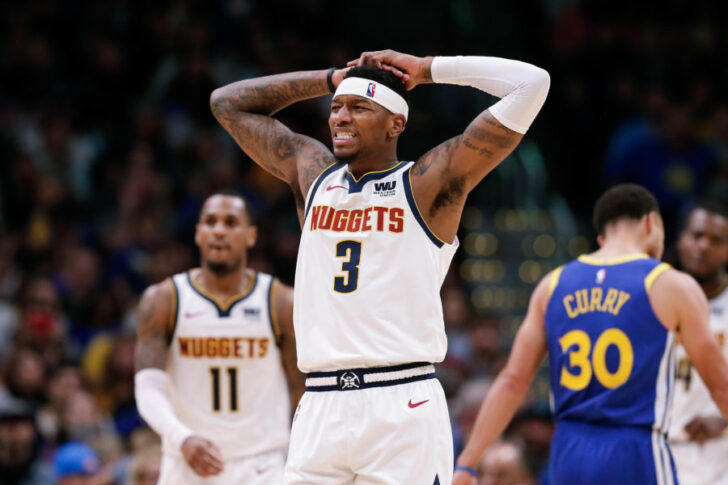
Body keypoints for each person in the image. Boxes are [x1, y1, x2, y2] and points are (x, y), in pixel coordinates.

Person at [211, 49, 549, 484]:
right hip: (321, 402)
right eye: (336, 109)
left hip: (401, 401)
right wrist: (333, 77)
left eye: (359, 107)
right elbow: (226, 102)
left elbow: (532, 83)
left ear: (396, 123)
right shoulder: (313, 174)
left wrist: (427, 70)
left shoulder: (428, 183)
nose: (341, 118)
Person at [452, 184, 728, 485]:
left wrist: (467, 462)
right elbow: (721, 388)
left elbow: (512, 381)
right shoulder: (669, 284)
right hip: (634, 449)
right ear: (651, 224)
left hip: (568, 451)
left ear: (601, 237)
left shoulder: (552, 284)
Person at [133, 192, 304, 484]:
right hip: (186, 459)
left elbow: (300, 391)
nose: (219, 231)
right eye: (210, 222)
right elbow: (148, 388)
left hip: (262, 463)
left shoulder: (280, 303)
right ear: (199, 234)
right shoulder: (163, 300)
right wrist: (182, 437)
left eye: (231, 222)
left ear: (251, 236)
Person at [668, 201, 728, 484]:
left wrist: (725, 418)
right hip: (662, 448)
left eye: (716, 240)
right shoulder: (653, 299)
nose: (704, 246)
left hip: (721, 452)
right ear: (681, 240)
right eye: (696, 236)